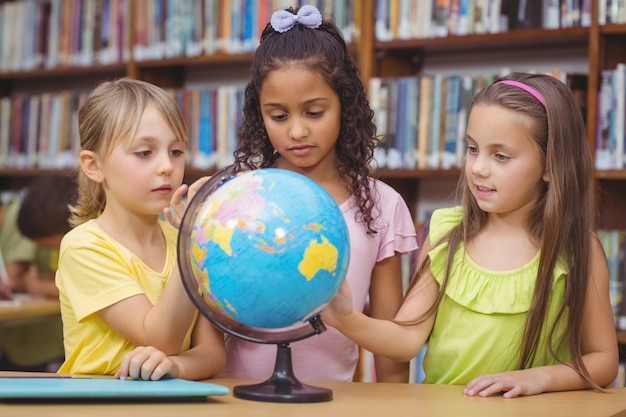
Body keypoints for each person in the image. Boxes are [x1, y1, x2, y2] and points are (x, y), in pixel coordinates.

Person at [321, 72, 619, 397]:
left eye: (500, 156)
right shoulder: (447, 234)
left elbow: (604, 360)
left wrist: (539, 379)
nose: (478, 167)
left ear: (551, 165)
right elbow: (405, 340)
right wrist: (346, 319)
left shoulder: (578, 249)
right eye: (473, 149)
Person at [219, 5, 418, 383]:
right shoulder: (239, 197)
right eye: (278, 116)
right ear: (258, 114)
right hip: (235, 398)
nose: (296, 132)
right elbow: (210, 324)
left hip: (333, 402)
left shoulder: (381, 205)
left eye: (314, 112)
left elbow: (390, 342)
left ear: (345, 104)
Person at [55, 77, 226, 381]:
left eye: (176, 151)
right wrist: (189, 243)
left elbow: (212, 354)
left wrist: (176, 367)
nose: (167, 167)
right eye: (145, 153)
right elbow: (160, 339)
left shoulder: (186, 241)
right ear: (94, 166)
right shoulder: (83, 247)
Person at [0, 174, 76, 372]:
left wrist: (37, 286)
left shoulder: (83, 244)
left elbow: (85, 289)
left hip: (56, 349)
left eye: (50, 246)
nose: (52, 251)